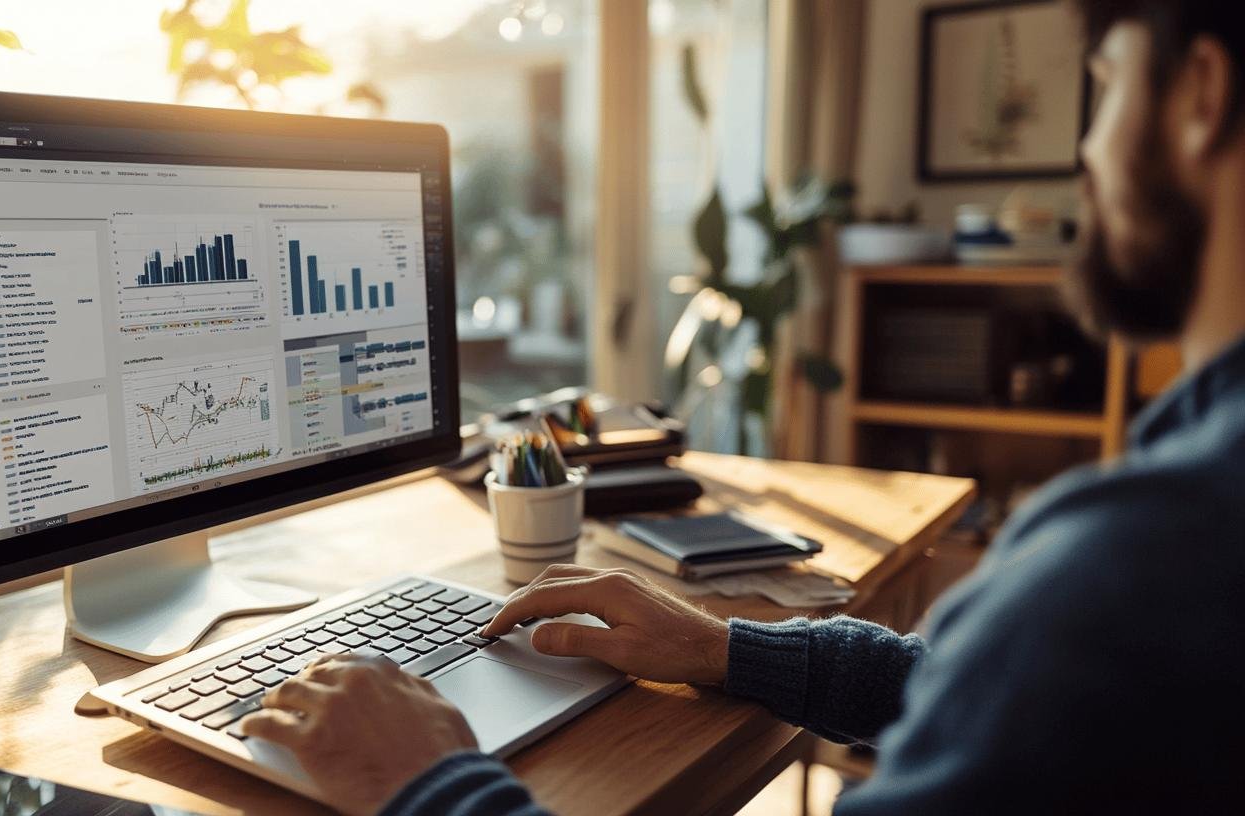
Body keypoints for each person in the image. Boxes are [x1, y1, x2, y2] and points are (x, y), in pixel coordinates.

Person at [241, 2, 1245, 813]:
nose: (1085, 153)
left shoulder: (1141, 569)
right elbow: (997, 694)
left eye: (1104, 86)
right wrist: (723, 649)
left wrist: (429, 783)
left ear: (1198, 93)